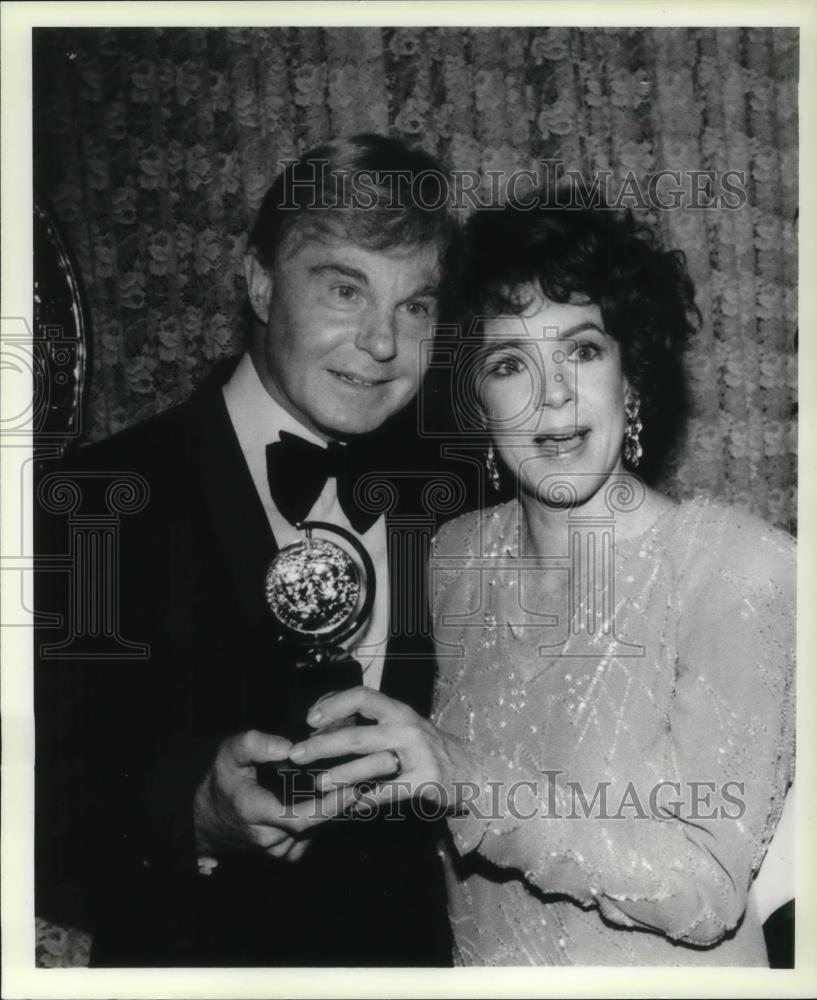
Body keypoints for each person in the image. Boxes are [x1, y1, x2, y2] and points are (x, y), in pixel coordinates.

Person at [285, 193, 796, 965]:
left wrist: (467, 783)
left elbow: (705, 888)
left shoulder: (739, 568)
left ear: (632, 375)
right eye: (508, 362)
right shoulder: (449, 559)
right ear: (477, 399)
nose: (549, 393)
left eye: (582, 350)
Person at [34, 134, 458, 966]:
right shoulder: (93, 499)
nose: (382, 342)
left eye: (415, 306)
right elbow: (36, 790)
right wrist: (187, 810)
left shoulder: (456, 495)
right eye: (344, 288)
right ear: (260, 283)